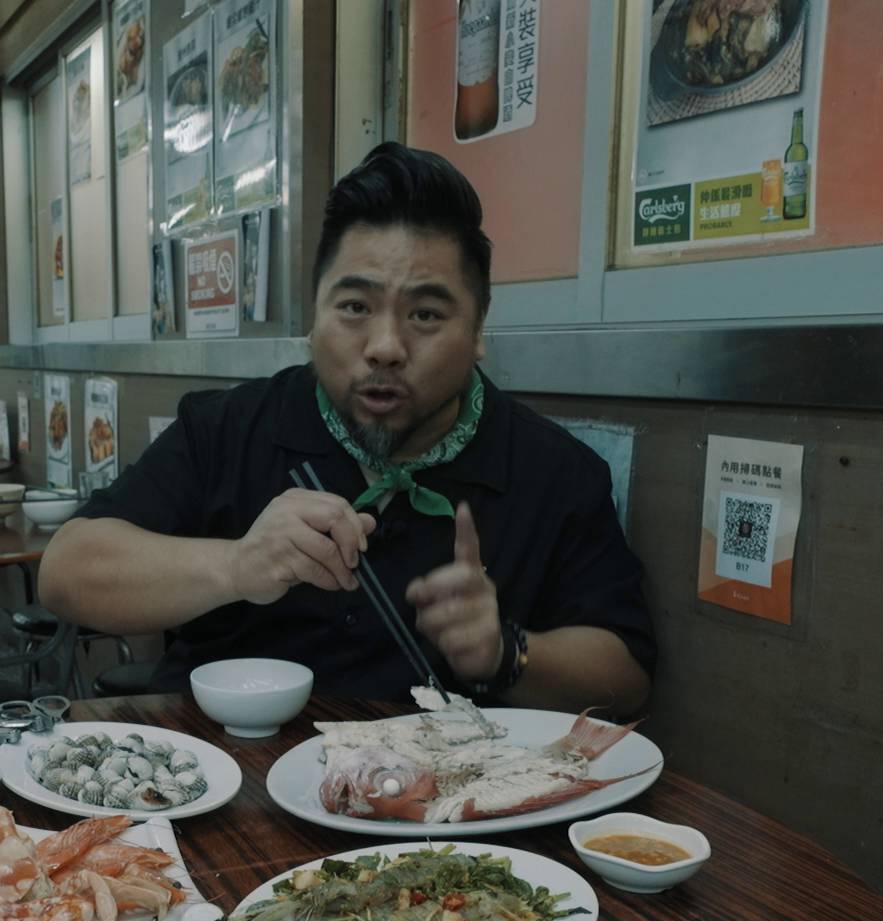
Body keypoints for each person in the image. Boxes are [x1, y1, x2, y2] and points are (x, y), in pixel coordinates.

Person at [38, 143, 654, 712]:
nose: (385, 346)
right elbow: (66, 571)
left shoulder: (553, 471)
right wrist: (236, 565)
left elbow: (625, 675)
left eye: (426, 314)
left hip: (438, 791)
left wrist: (506, 651)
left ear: (478, 332)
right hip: (221, 775)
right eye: (355, 307)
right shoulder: (228, 428)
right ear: (314, 318)